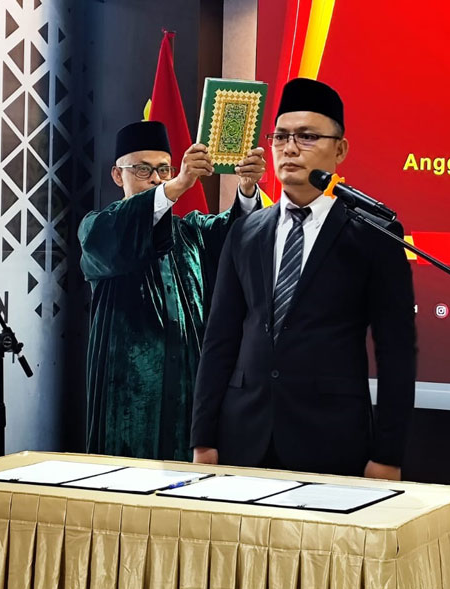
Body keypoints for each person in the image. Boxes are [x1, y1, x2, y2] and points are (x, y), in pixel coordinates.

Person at [190, 78, 416, 479]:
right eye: (281, 136)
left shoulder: (372, 234)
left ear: (340, 149)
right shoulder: (245, 232)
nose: (290, 148)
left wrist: (388, 454)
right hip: (243, 435)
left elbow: (396, 351)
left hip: (330, 438)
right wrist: (203, 438)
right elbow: (220, 338)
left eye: (307, 137)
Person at [79, 120, 265, 461]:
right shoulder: (99, 228)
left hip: (188, 390)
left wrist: (248, 191)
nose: (156, 178)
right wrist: (177, 184)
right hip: (130, 398)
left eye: (164, 169)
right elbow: (123, 233)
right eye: (143, 169)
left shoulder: (192, 232)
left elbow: (237, 239)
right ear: (118, 176)